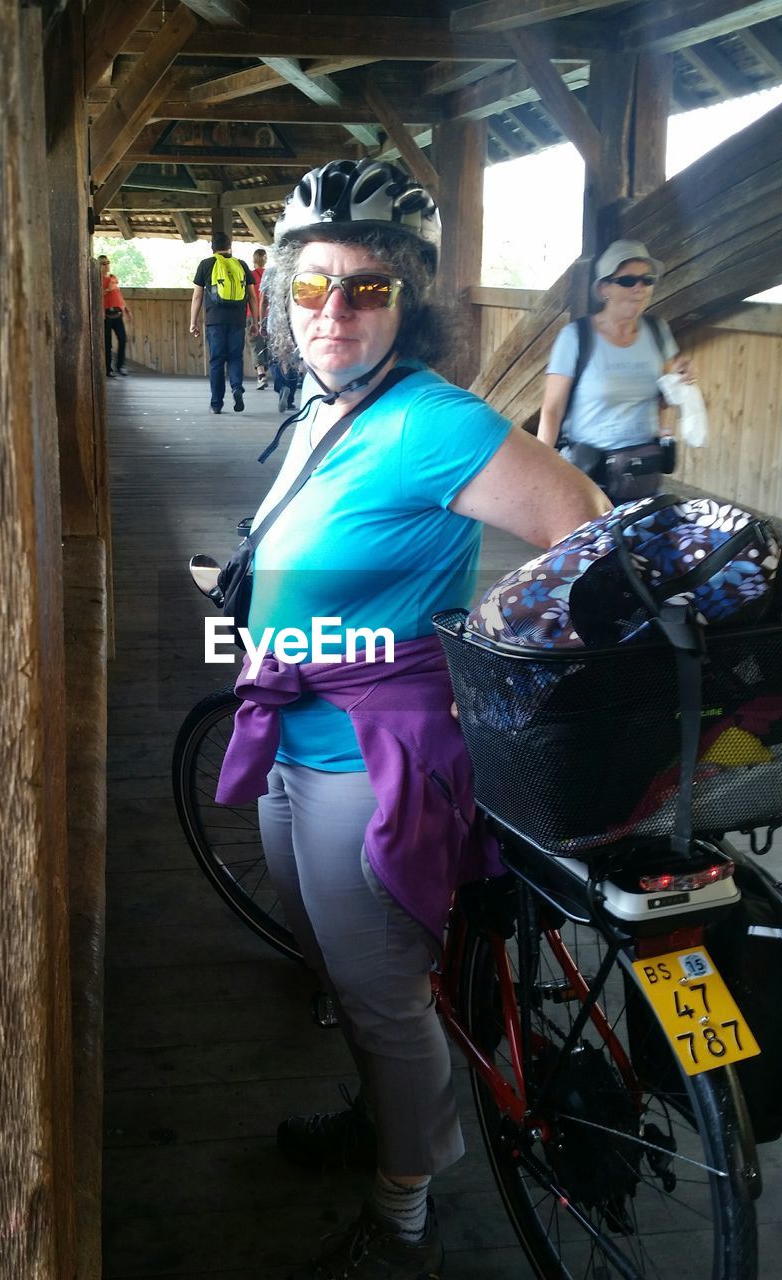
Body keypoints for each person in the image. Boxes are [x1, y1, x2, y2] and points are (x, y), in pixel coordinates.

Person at [212, 159, 609, 1279]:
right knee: (335, 956)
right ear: (284, 298)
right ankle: (383, 1113)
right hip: (294, 730)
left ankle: (403, 1203)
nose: (335, 311)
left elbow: (584, 523)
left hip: (369, 758)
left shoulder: (435, 421)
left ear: (411, 301)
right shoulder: (330, 402)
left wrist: (480, 636)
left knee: (383, 994)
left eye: (368, 289)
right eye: (312, 287)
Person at [539, 239, 695, 502]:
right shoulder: (576, 337)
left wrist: (680, 383)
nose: (639, 288)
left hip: (644, 472)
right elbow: (552, 409)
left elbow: (664, 399)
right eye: (627, 281)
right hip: (589, 476)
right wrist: (541, 472)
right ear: (604, 288)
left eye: (647, 280)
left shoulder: (658, 332)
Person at [190, 231, 260, 414]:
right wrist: (255, 321)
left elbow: (197, 296)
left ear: (212, 247)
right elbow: (253, 297)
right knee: (235, 357)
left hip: (214, 321)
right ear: (230, 247)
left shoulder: (206, 265)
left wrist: (193, 322)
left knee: (216, 361)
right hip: (237, 320)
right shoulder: (241, 265)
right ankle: (236, 387)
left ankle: (216, 403)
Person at [98, 255, 130, 377]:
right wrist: (107, 289)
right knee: (107, 343)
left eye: (108, 263)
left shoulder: (113, 278)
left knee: (122, 339)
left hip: (118, 313)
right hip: (106, 315)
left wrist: (126, 309)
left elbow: (118, 294)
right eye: (103, 264)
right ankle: (108, 369)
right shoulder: (98, 280)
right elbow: (96, 295)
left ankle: (120, 366)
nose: (107, 266)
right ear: (99, 266)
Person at [249, 247, 269, 389]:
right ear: (265, 259)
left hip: (251, 314)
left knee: (255, 344)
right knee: (267, 344)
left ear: (253, 260)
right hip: (269, 314)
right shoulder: (270, 274)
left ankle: (261, 375)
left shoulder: (249, 275)